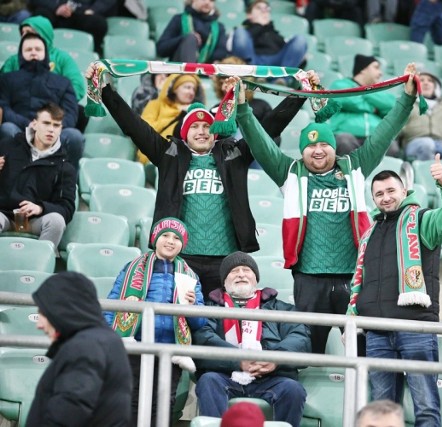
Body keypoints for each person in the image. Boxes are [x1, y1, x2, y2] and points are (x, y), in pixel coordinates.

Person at [230, 62, 417, 354]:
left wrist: (406, 98)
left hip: (352, 276)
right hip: (308, 277)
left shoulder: (355, 166)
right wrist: (242, 108)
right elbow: (259, 142)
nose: (318, 151)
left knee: (362, 347)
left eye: (324, 146)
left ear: (334, 147)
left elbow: (386, 131)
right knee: (307, 350)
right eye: (310, 147)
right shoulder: (289, 172)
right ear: (302, 150)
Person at [85, 63, 312, 298]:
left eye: (207, 126)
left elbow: (270, 126)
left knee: (217, 321)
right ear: (185, 133)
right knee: (180, 318)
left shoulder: (233, 154)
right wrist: (105, 90)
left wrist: (301, 94)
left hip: (226, 258)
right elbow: (133, 124)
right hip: (181, 256)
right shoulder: (168, 154)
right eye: (195, 126)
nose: (202, 131)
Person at [346, 160, 442, 426]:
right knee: (381, 410)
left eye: (391, 191)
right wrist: (351, 318)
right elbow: (361, 281)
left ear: (404, 191)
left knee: (425, 405)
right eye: (379, 194)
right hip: (377, 330)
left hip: (415, 327)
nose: (385, 197)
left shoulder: (422, 220)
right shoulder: (370, 233)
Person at [104, 216, 207, 426]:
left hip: (170, 350)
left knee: (163, 402)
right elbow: (113, 303)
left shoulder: (190, 276)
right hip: (135, 346)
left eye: (176, 238)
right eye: (165, 236)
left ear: (182, 244)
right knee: (132, 399)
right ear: (154, 239)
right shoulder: (132, 267)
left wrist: (193, 306)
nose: (170, 241)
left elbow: (200, 322)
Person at [194, 251, 310, 427]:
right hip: (225, 375)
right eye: (234, 271)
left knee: (293, 390)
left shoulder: (280, 308)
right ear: (224, 281)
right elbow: (203, 338)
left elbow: (300, 336)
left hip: (271, 376)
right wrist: (238, 360)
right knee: (208, 381)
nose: (241, 274)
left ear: (255, 279)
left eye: (246, 270)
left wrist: (275, 359)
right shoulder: (210, 308)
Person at [26, 271, 132, 427]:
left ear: (63, 309)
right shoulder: (101, 339)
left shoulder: (85, 346)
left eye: (44, 312)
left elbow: (69, 410)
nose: (39, 324)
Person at [0, 32, 84, 170]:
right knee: (7, 129)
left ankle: (68, 184)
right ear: (21, 54)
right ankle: (6, 181)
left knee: (74, 136)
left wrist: (49, 127)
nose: (33, 53)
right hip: (20, 129)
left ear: (46, 54)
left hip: (52, 131)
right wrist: (28, 124)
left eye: (38, 49)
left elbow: (71, 113)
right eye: (28, 49)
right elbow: (3, 107)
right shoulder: (7, 79)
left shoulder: (63, 82)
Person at [0, 102, 76, 248]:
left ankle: (40, 264)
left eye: (56, 125)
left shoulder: (65, 166)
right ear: (34, 124)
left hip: (36, 220)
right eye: (46, 123)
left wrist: (41, 208)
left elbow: (67, 208)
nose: (51, 130)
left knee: (56, 221)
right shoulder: (8, 146)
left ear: (61, 129)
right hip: (4, 213)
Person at [1, 16, 86, 104]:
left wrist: (53, 106)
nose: (24, 36)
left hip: (55, 109)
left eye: (29, 32)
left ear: (44, 34)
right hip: (20, 107)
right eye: (22, 33)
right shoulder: (13, 60)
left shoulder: (62, 58)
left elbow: (77, 87)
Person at [329, 54, 399, 156]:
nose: (381, 73)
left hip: (374, 138)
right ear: (363, 69)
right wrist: (374, 108)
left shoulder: (379, 91)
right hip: (348, 135)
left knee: (391, 145)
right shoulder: (340, 85)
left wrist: (362, 92)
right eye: (376, 67)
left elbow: (392, 106)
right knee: (344, 140)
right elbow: (348, 101)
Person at [398, 70, 442, 161]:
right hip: (414, 142)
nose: (426, 83)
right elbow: (396, 125)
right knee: (427, 144)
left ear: (435, 87)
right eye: (421, 80)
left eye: (430, 81)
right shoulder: (407, 104)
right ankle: (427, 174)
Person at [230, 0, 307, 70]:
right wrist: (259, 25)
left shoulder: (275, 33)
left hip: (277, 66)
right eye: (259, 8)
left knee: (300, 40)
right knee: (240, 32)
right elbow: (234, 47)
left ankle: (283, 78)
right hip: (252, 63)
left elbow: (292, 53)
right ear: (249, 15)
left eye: (266, 9)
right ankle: (251, 75)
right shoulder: (243, 31)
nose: (264, 11)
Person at [28, 0, 116, 56]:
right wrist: (56, 7)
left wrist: (93, 10)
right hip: (55, 11)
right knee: (40, 18)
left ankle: (90, 57)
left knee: (98, 23)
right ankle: (38, 53)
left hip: (84, 14)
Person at [141, 73, 206, 146]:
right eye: (187, 87)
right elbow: (144, 130)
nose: (191, 92)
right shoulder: (155, 105)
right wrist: (178, 113)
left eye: (194, 89)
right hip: (153, 151)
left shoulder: (196, 113)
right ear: (175, 88)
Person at [156, 0, 230, 64]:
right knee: (190, 38)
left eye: (211, 0)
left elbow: (221, 52)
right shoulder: (178, 19)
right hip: (180, 71)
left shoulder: (219, 27)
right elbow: (161, 49)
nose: (207, 2)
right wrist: (184, 39)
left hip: (205, 72)